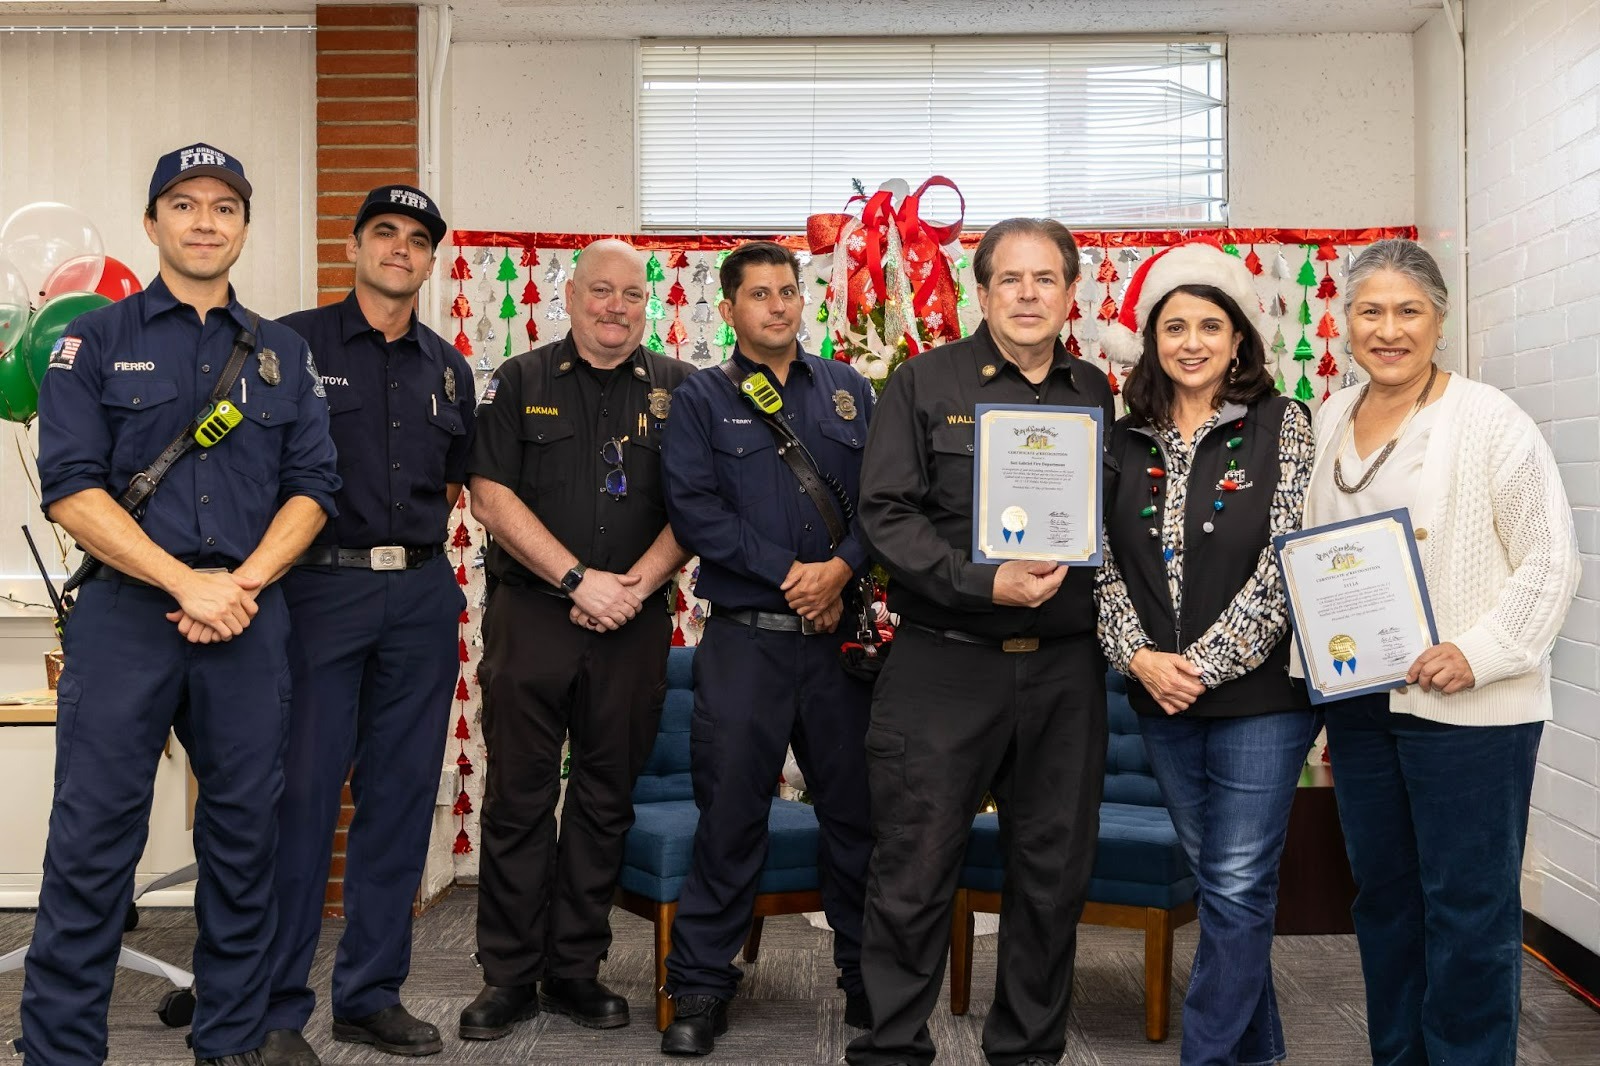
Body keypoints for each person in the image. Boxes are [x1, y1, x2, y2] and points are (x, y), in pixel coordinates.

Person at [22, 143, 340, 1066]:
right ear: (152, 222)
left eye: (224, 207)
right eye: (186, 204)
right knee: (93, 842)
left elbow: (314, 489)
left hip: (246, 617)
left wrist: (238, 584)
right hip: (128, 615)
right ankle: (61, 1051)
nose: (206, 221)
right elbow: (71, 489)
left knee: (245, 843)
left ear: (244, 227)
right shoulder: (92, 342)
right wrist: (184, 581)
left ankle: (228, 1039)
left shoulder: (283, 354)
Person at [1302, 238, 1578, 1066]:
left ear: (1440, 319)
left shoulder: (1491, 420)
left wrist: (1478, 650)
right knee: (1385, 902)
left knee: (1468, 910)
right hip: (1361, 705)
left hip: (1470, 710)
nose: (1388, 330)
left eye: (1408, 311)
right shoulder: (1327, 419)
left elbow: (1551, 559)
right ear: (1346, 320)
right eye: (1370, 311)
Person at [848, 218, 1114, 1066]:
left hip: (1065, 672)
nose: (1028, 295)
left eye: (1046, 279)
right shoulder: (924, 381)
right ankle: (892, 1048)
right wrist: (980, 580)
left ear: (1071, 291)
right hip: (945, 662)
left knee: (1052, 875)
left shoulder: (1098, 391)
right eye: (1010, 279)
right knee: (914, 869)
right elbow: (884, 513)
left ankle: (1028, 1051)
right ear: (984, 290)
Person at [260, 185, 475, 1066]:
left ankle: (370, 996)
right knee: (303, 799)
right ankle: (273, 1007)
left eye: (417, 239)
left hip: (419, 598)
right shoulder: (289, 347)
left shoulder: (449, 368)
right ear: (354, 246)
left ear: (430, 261)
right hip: (319, 594)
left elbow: (454, 484)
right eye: (384, 232)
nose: (400, 248)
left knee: (398, 800)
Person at [458, 238, 691, 1041]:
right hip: (532, 615)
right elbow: (489, 495)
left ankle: (574, 970)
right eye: (601, 291)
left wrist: (631, 587)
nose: (616, 307)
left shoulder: (680, 389)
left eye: (632, 294)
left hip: (634, 619)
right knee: (518, 798)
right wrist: (575, 580)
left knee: (604, 799)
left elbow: (697, 504)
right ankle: (508, 975)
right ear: (570, 295)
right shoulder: (520, 379)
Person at [1094, 239, 1318, 1066]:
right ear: (1151, 341)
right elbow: (1097, 565)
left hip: (1261, 700)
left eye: (1210, 326)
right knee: (1224, 884)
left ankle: (1209, 1056)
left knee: (1235, 882)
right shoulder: (1121, 439)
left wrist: (1203, 665)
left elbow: (1287, 559)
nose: (1192, 343)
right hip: (1159, 695)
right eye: (1175, 327)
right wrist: (1141, 658)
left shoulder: (1285, 424)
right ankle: (1259, 1053)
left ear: (1239, 338)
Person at [657, 239, 877, 1056]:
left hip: (837, 645)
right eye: (760, 293)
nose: (779, 305)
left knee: (856, 816)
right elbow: (695, 511)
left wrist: (841, 571)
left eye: (788, 291)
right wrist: (796, 576)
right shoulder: (701, 398)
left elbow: (884, 501)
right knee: (731, 816)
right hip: (747, 644)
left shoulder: (849, 388)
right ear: (729, 308)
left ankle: (867, 979)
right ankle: (700, 988)